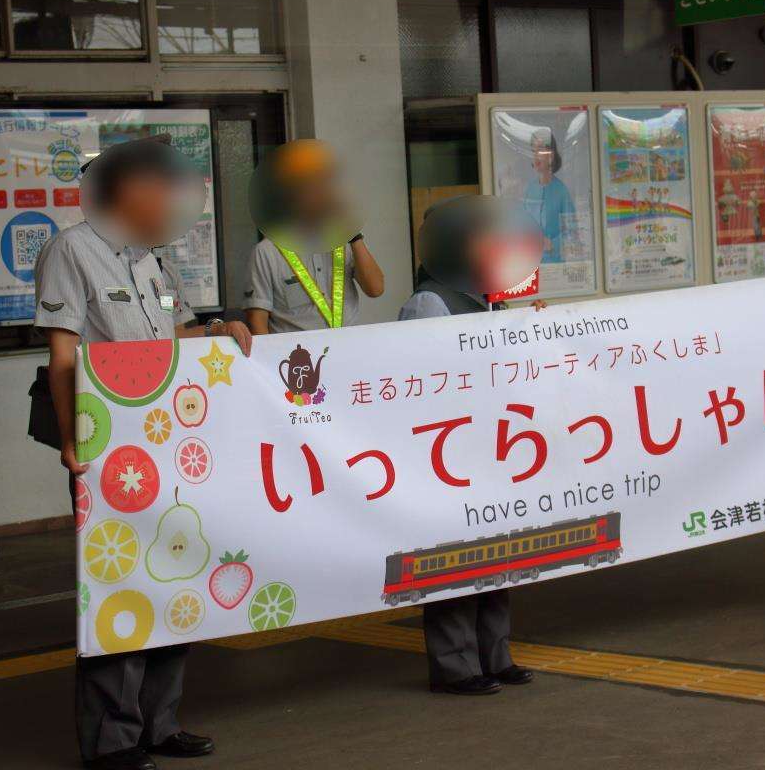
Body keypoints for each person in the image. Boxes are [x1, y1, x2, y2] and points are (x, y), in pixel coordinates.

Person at [35, 136, 252, 770]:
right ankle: (112, 739)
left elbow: (173, 333)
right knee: (118, 585)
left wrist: (215, 329)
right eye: (160, 186)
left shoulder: (152, 257)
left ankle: (160, 722)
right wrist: (72, 444)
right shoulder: (70, 251)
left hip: (168, 440)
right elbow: (63, 357)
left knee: (173, 574)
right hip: (108, 449)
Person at [400, 197, 542, 696]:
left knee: (498, 551)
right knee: (456, 555)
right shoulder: (430, 302)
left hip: (493, 445)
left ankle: (495, 654)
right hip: (450, 451)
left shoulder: (489, 299)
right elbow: (420, 382)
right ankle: (455, 664)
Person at [244, 140, 385, 334]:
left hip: (348, 352)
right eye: (312, 188)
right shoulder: (267, 252)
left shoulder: (343, 242)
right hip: (299, 359)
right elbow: (257, 321)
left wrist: (353, 234)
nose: (322, 195)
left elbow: (375, 288)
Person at [521, 129, 575, 263]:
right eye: (533, 151)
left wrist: (552, 244)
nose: (536, 156)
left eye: (540, 150)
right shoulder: (529, 189)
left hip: (555, 266)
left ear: (551, 155)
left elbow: (573, 230)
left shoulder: (561, 191)